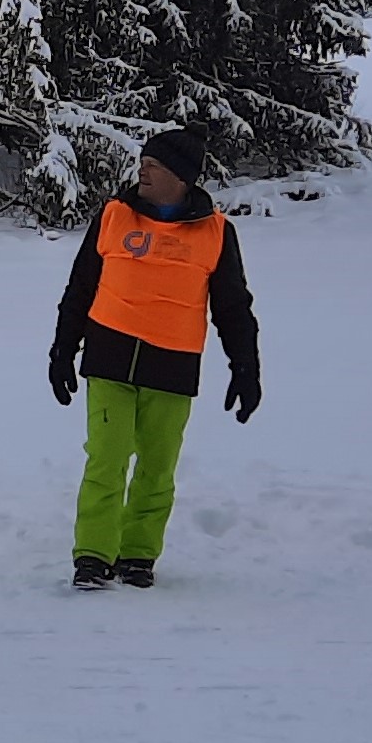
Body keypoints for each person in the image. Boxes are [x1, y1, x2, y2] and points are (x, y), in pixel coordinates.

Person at [47, 128, 263, 589]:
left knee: (156, 468)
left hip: (173, 365)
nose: (142, 171)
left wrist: (245, 367)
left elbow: (233, 308)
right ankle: (92, 556)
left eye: (154, 166)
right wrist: (63, 350)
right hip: (108, 359)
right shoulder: (114, 216)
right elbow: (80, 288)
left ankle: (138, 554)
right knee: (105, 460)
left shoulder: (217, 233)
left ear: (181, 177)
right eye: (143, 163)